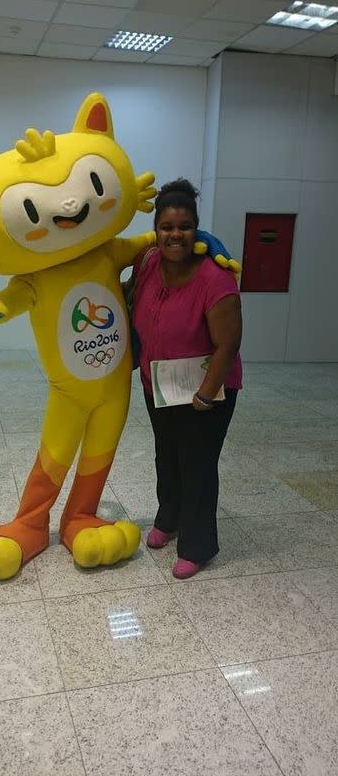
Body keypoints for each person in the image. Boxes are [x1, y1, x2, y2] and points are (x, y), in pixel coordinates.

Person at [132, 179, 242, 579]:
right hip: (158, 385)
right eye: (167, 227)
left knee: (197, 464)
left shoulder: (215, 277)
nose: (175, 234)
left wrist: (206, 394)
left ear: (197, 229)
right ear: (156, 230)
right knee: (167, 456)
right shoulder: (146, 264)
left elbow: (228, 343)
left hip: (205, 391)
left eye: (184, 226)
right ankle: (169, 519)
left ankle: (197, 544)